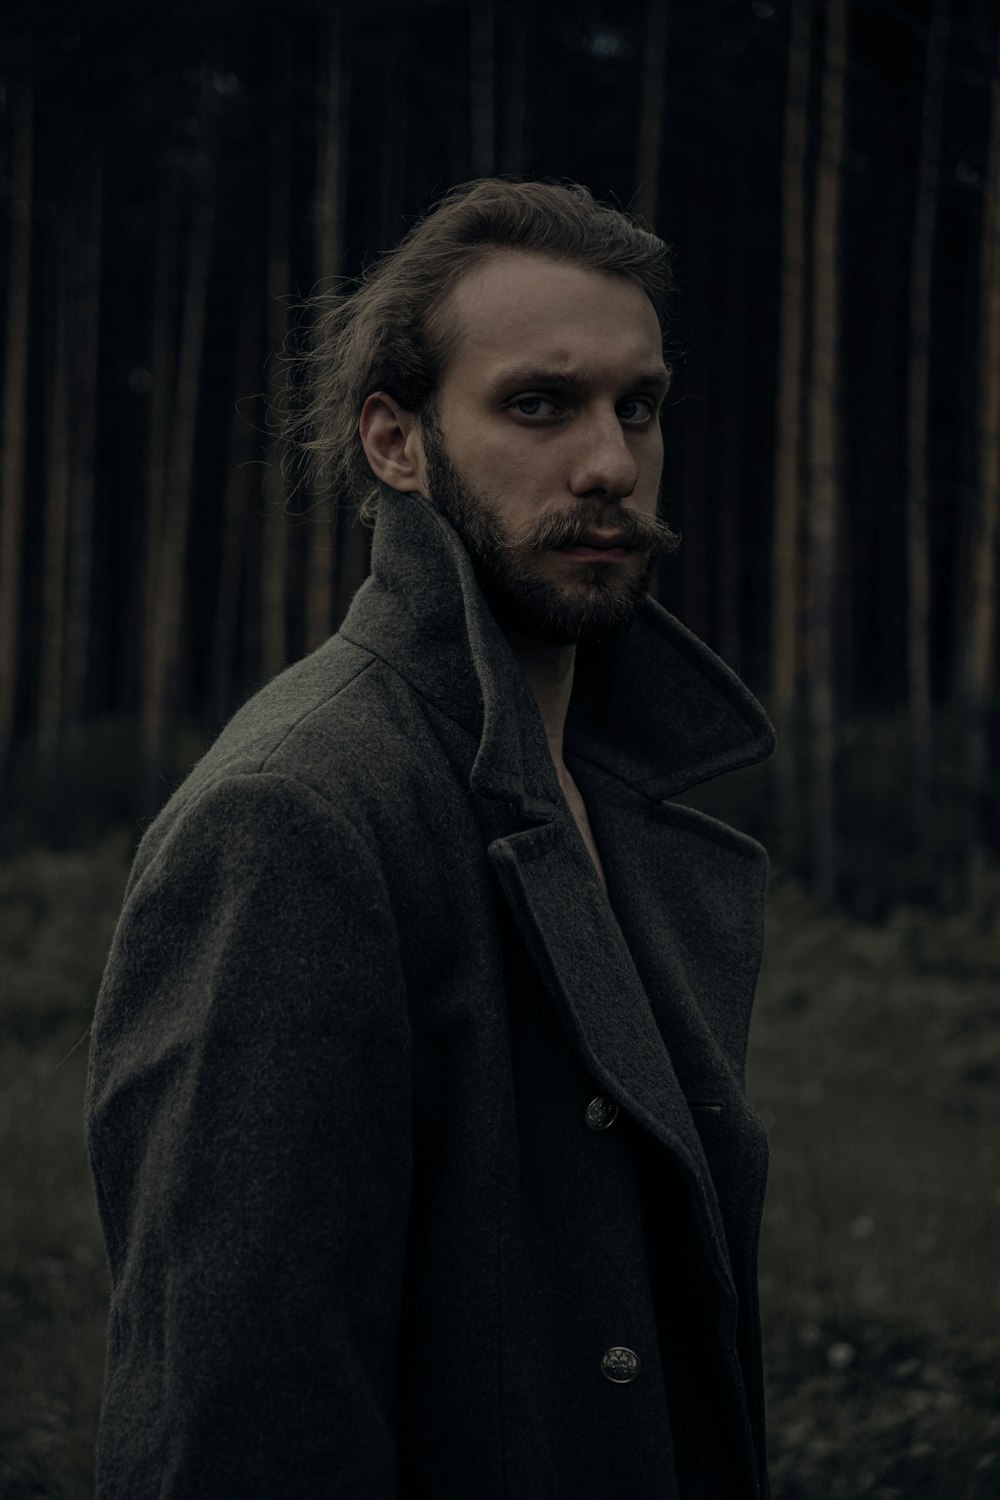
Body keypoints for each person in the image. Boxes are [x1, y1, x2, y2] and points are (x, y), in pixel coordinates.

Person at [86, 178, 776, 1499]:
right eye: (538, 404)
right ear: (396, 444)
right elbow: (238, 1421)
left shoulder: (608, 790)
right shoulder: (297, 815)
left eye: (639, 405)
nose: (611, 464)